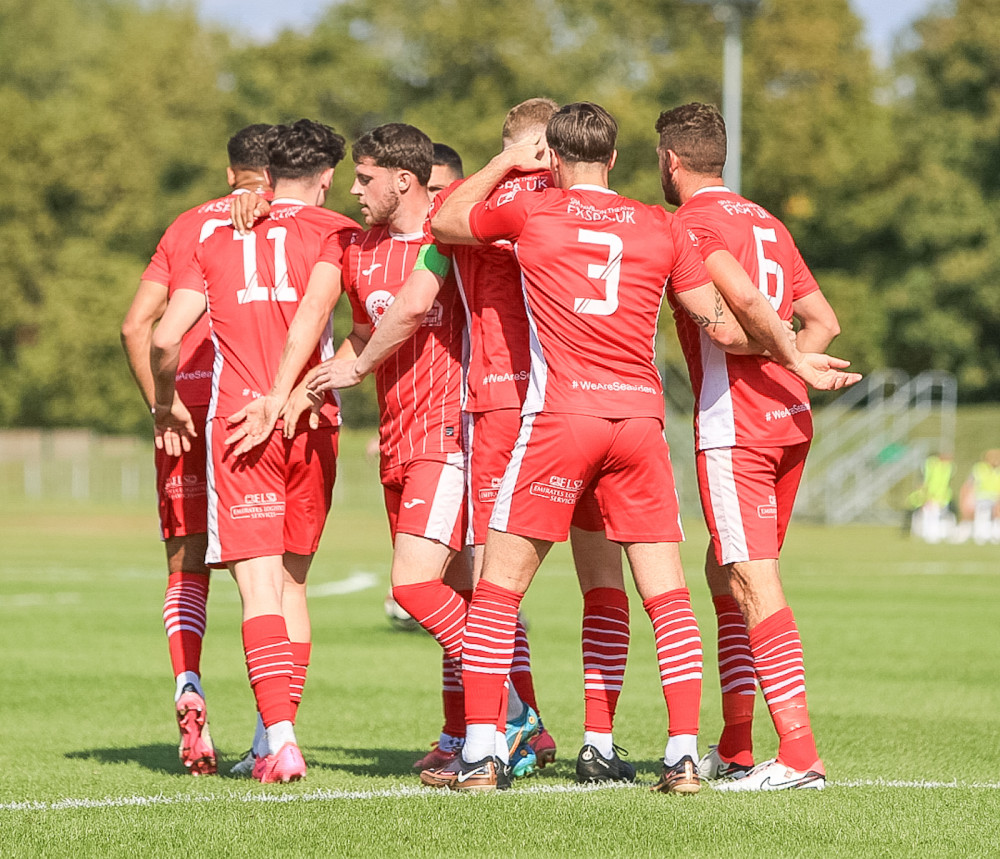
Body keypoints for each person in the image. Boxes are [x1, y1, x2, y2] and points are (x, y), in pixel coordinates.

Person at [427, 101, 774, 793]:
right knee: (668, 595)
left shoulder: (535, 212)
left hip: (561, 415)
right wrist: (792, 348)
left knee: (498, 588)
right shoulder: (658, 223)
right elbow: (727, 329)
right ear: (615, 158)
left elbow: (444, 219)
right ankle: (680, 754)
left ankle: (484, 752)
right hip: (639, 423)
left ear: (552, 160)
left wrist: (502, 163)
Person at [656, 101, 861, 791]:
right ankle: (737, 744)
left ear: (671, 160)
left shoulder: (693, 221)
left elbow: (737, 314)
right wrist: (795, 363)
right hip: (791, 422)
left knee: (751, 578)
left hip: (735, 424)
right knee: (727, 572)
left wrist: (777, 357)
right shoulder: (766, 219)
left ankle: (799, 752)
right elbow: (823, 319)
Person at [150, 119, 359, 784]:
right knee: (294, 586)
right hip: (314, 416)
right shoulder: (339, 234)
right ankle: (272, 734)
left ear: (265, 175)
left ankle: (282, 740)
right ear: (325, 178)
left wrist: (164, 397)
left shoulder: (218, 232)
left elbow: (159, 338)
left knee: (259, 588)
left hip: (242, 422)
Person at [300, 123, 475, 769]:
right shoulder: (364, 249)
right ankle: (461, 737)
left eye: (365, 177)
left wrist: (356, 365)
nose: (354, 189)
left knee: (411, 587)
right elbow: (365, 330)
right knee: (453, 591)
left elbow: (401, 321)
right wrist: (311, 383)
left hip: (450, 434)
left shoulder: (450, 239)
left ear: (404, 179)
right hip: (397, 439)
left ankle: (509, 712)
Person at [120, 122, 273, 776]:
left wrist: (161, 405)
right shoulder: (286, 221)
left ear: (228, 167)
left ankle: (189, 683)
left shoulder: (186, 225)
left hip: (181, 403)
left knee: (186, 565)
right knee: (266, 572)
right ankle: (274, 726)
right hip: (246, 404)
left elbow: (135, 325)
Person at [958, 449, 1000, 544]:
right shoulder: (979, 468)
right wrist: (966, 499)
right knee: (980, 514)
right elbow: (969, 485)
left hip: (996, 498)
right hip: (981, 497)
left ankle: (996, 535)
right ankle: (980, 535)